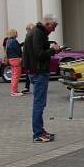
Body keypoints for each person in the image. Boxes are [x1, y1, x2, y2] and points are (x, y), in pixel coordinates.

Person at [23, 14, 60, 143]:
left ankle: (40, 130)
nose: (54, 29)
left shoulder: (37, 32)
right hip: (38, 72)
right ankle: (37, 133)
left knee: (40, 103)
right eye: (54, 26)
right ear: (47, 24)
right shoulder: (38, 33)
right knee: (39, 103)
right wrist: (53, 50)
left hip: (36, 71)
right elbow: (39, 54)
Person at [5, 28, 23, 97]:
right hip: (16, 59)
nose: (17, 33)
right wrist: (21, 56)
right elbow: (18, 50)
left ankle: (14, 90)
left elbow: (7, 51)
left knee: (13, 75)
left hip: (11, 59)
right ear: (14, 33)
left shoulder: (8, 41)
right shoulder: (14, 41)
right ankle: (14, 91)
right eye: (16, 32)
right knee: (16, 76)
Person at [21, 23, 34, 94]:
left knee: (31, 73)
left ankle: (28, 87)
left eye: (28, 29)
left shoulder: (32, 35)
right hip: (29, 57)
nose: (27, 30)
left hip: (32, 57)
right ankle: (27, 87)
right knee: (29, 73)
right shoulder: (28, 35)